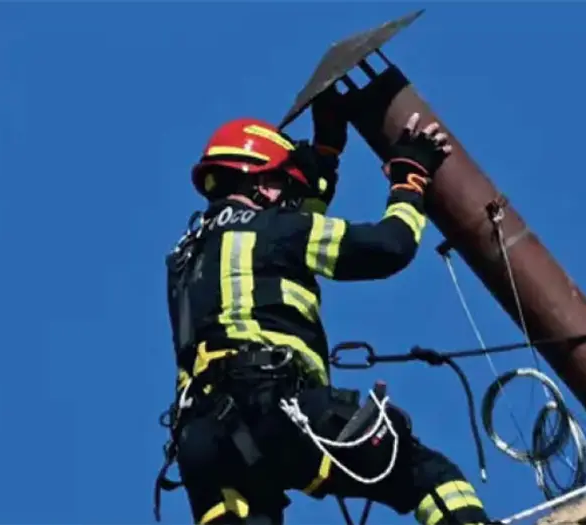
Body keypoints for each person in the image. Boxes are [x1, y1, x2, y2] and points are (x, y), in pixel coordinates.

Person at [156, 88, 491, 525]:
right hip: (272, 407)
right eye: (283, 184)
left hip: (203, 443)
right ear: (259, 182)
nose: (289, 195)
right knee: (426, 475)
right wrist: (409, 179)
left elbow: (286, 235)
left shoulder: (186, 256)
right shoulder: (273, 230)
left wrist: (326, 154)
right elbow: (390, 247)